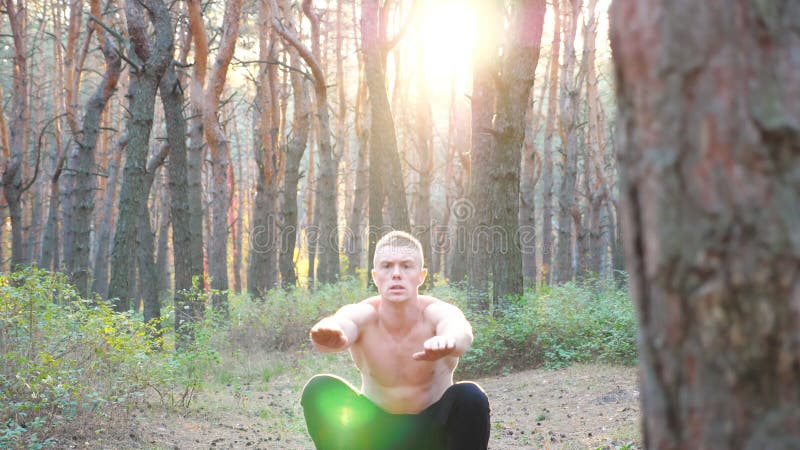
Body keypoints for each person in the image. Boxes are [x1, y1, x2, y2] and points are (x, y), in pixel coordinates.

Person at [301, 231, 491, 450]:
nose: (396, 274)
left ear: (421, 276)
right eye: (387, 266)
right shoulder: (364, 315)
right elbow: (342, 323)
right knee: (320, 388)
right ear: (375, 276)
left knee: (470, 395)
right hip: (377, 435)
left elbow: (460, 330)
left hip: (433, 433)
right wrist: (329, 333)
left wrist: (450, 340)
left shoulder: (436, 312)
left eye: (406, 266)